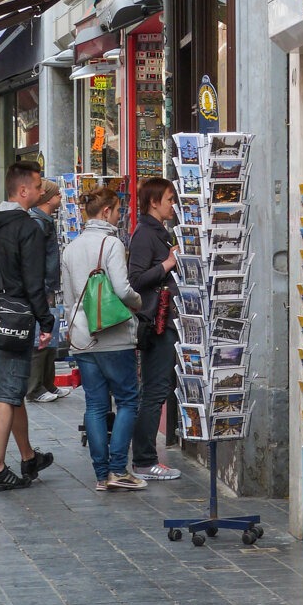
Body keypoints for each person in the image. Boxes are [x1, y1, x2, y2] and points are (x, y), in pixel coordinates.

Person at [0, 162, 55, 494]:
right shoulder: (28, 228)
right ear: (23, 191)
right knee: (6, 394)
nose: (42, 190)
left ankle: (28, 457)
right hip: (15, 320)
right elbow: (34, 282)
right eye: (37, 185)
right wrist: (46, 322)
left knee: (12, 389)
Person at [62, 185, 144, 492]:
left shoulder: (70, 248)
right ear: (107, 211)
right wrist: (137, 303)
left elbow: (69, 299)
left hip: (82, 337)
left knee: (95, 405)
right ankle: (118, 468)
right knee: (127, 401)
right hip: (114, 335)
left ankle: (101, 474)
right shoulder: (110, 244)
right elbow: (122, 290)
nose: (120, 216)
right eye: (118, 211)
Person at [128, 176, 182, 481]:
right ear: (154, 202)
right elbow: (135, 279)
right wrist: (168, 264)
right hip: (156, 323)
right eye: (169, 199)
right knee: (154, 390)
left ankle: (144, 458)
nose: (173, 205)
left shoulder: (158, 232)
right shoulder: (145, 234)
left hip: (165, 320)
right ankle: (145, 459)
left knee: (157, 389)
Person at [27, 178, 70, 403]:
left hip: (47, 286)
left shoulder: (44, 221)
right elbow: (35, 259)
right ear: (48, 197)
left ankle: (47, 383)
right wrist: (42, 287)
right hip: (41, 288)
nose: (61, 198)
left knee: (48, 337)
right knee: (40, 337)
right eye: (57, 195)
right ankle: (35, 387)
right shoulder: (37, 222)